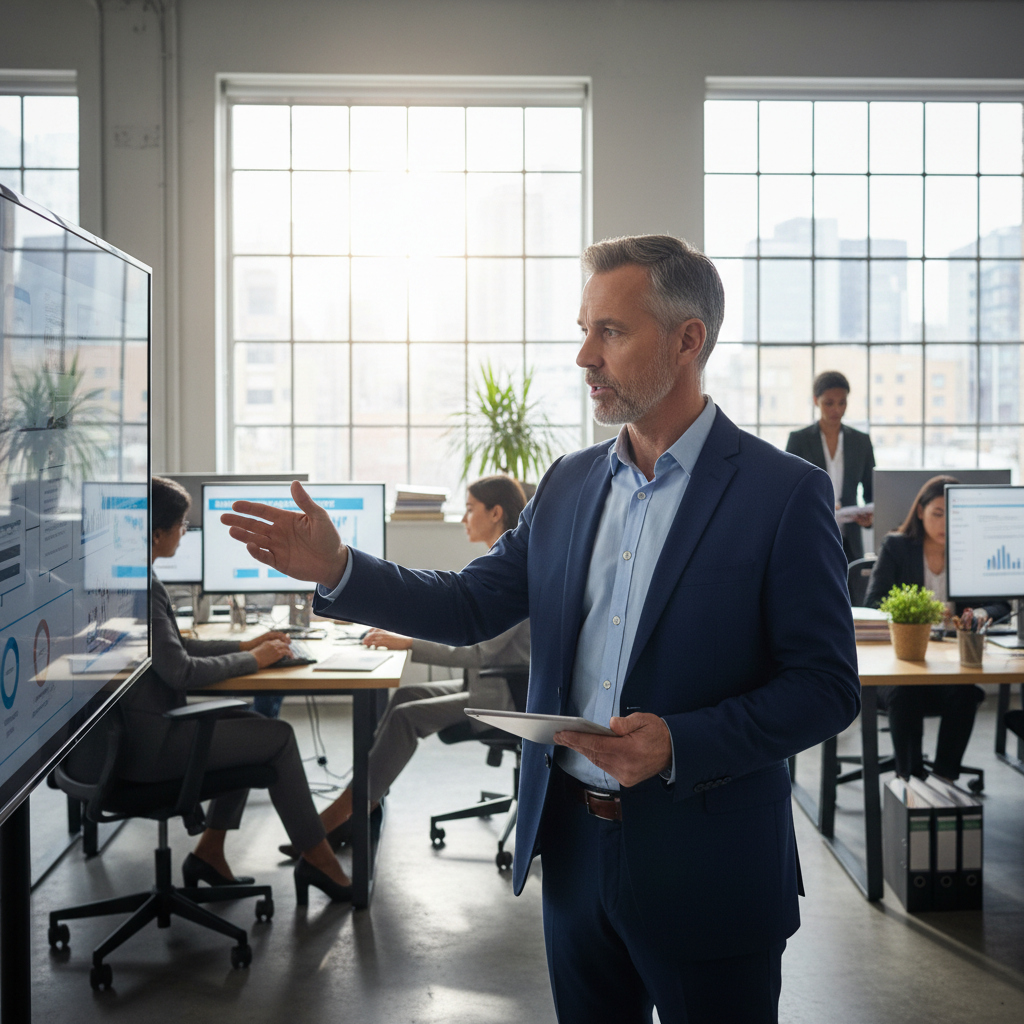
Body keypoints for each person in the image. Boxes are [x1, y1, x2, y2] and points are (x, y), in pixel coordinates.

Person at [221, 235, 860, 1024]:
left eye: (612, 333)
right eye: (584, 330)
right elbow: (468, 604)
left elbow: (826, 689)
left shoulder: (783, 493)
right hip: (575, 853)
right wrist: (341, 568)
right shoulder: (567, 482)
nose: (585, 356)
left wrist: (678, 741)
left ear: (688, 339)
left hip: (711, 865)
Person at [277, 475, 530, 857]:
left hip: (509, 697)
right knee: (404, 697)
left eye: (469, 509)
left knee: (405, 718)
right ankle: (368, 796)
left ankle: (353, 808)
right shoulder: (497, 563)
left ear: (495, 513)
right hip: (490, 685)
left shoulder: (514, 574)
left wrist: (408, 643)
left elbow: (480, 652)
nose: (463, 518)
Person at [130, 476, 354, 904]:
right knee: (277, 737)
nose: (185, 533)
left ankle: (209, 852)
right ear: (158, 533)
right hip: (152, 745)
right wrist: (256, 660)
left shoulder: (133, 578)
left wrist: (243, 645)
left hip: (134, 736)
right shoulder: (144, 586)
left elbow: (174, 648)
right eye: (182, 525)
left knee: (248, 729)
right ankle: (319, 859)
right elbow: (180, 671)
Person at [865, 474, 1009, 781]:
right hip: (902, 663)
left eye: (954, 515)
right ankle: (911, 783)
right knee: (905, 695)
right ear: (921, 511)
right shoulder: (897, 546)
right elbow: (874, 603)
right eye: (938, 513)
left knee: (965, 694)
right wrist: (920, 615)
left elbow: (1001, 604)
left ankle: (945, 780)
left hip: (952, 663)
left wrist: (980, 612)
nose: (945, 524)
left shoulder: (972, 551)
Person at [786, 370, 875, 562]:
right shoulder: (799, 440)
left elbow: (871, 491)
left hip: (850, 541)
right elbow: (788, 491)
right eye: (829, 403)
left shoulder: (861, 442)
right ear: (816, 400)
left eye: (842, 402)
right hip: (810, 535)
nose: (837, 409)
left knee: (850, 590)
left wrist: (869, 518)